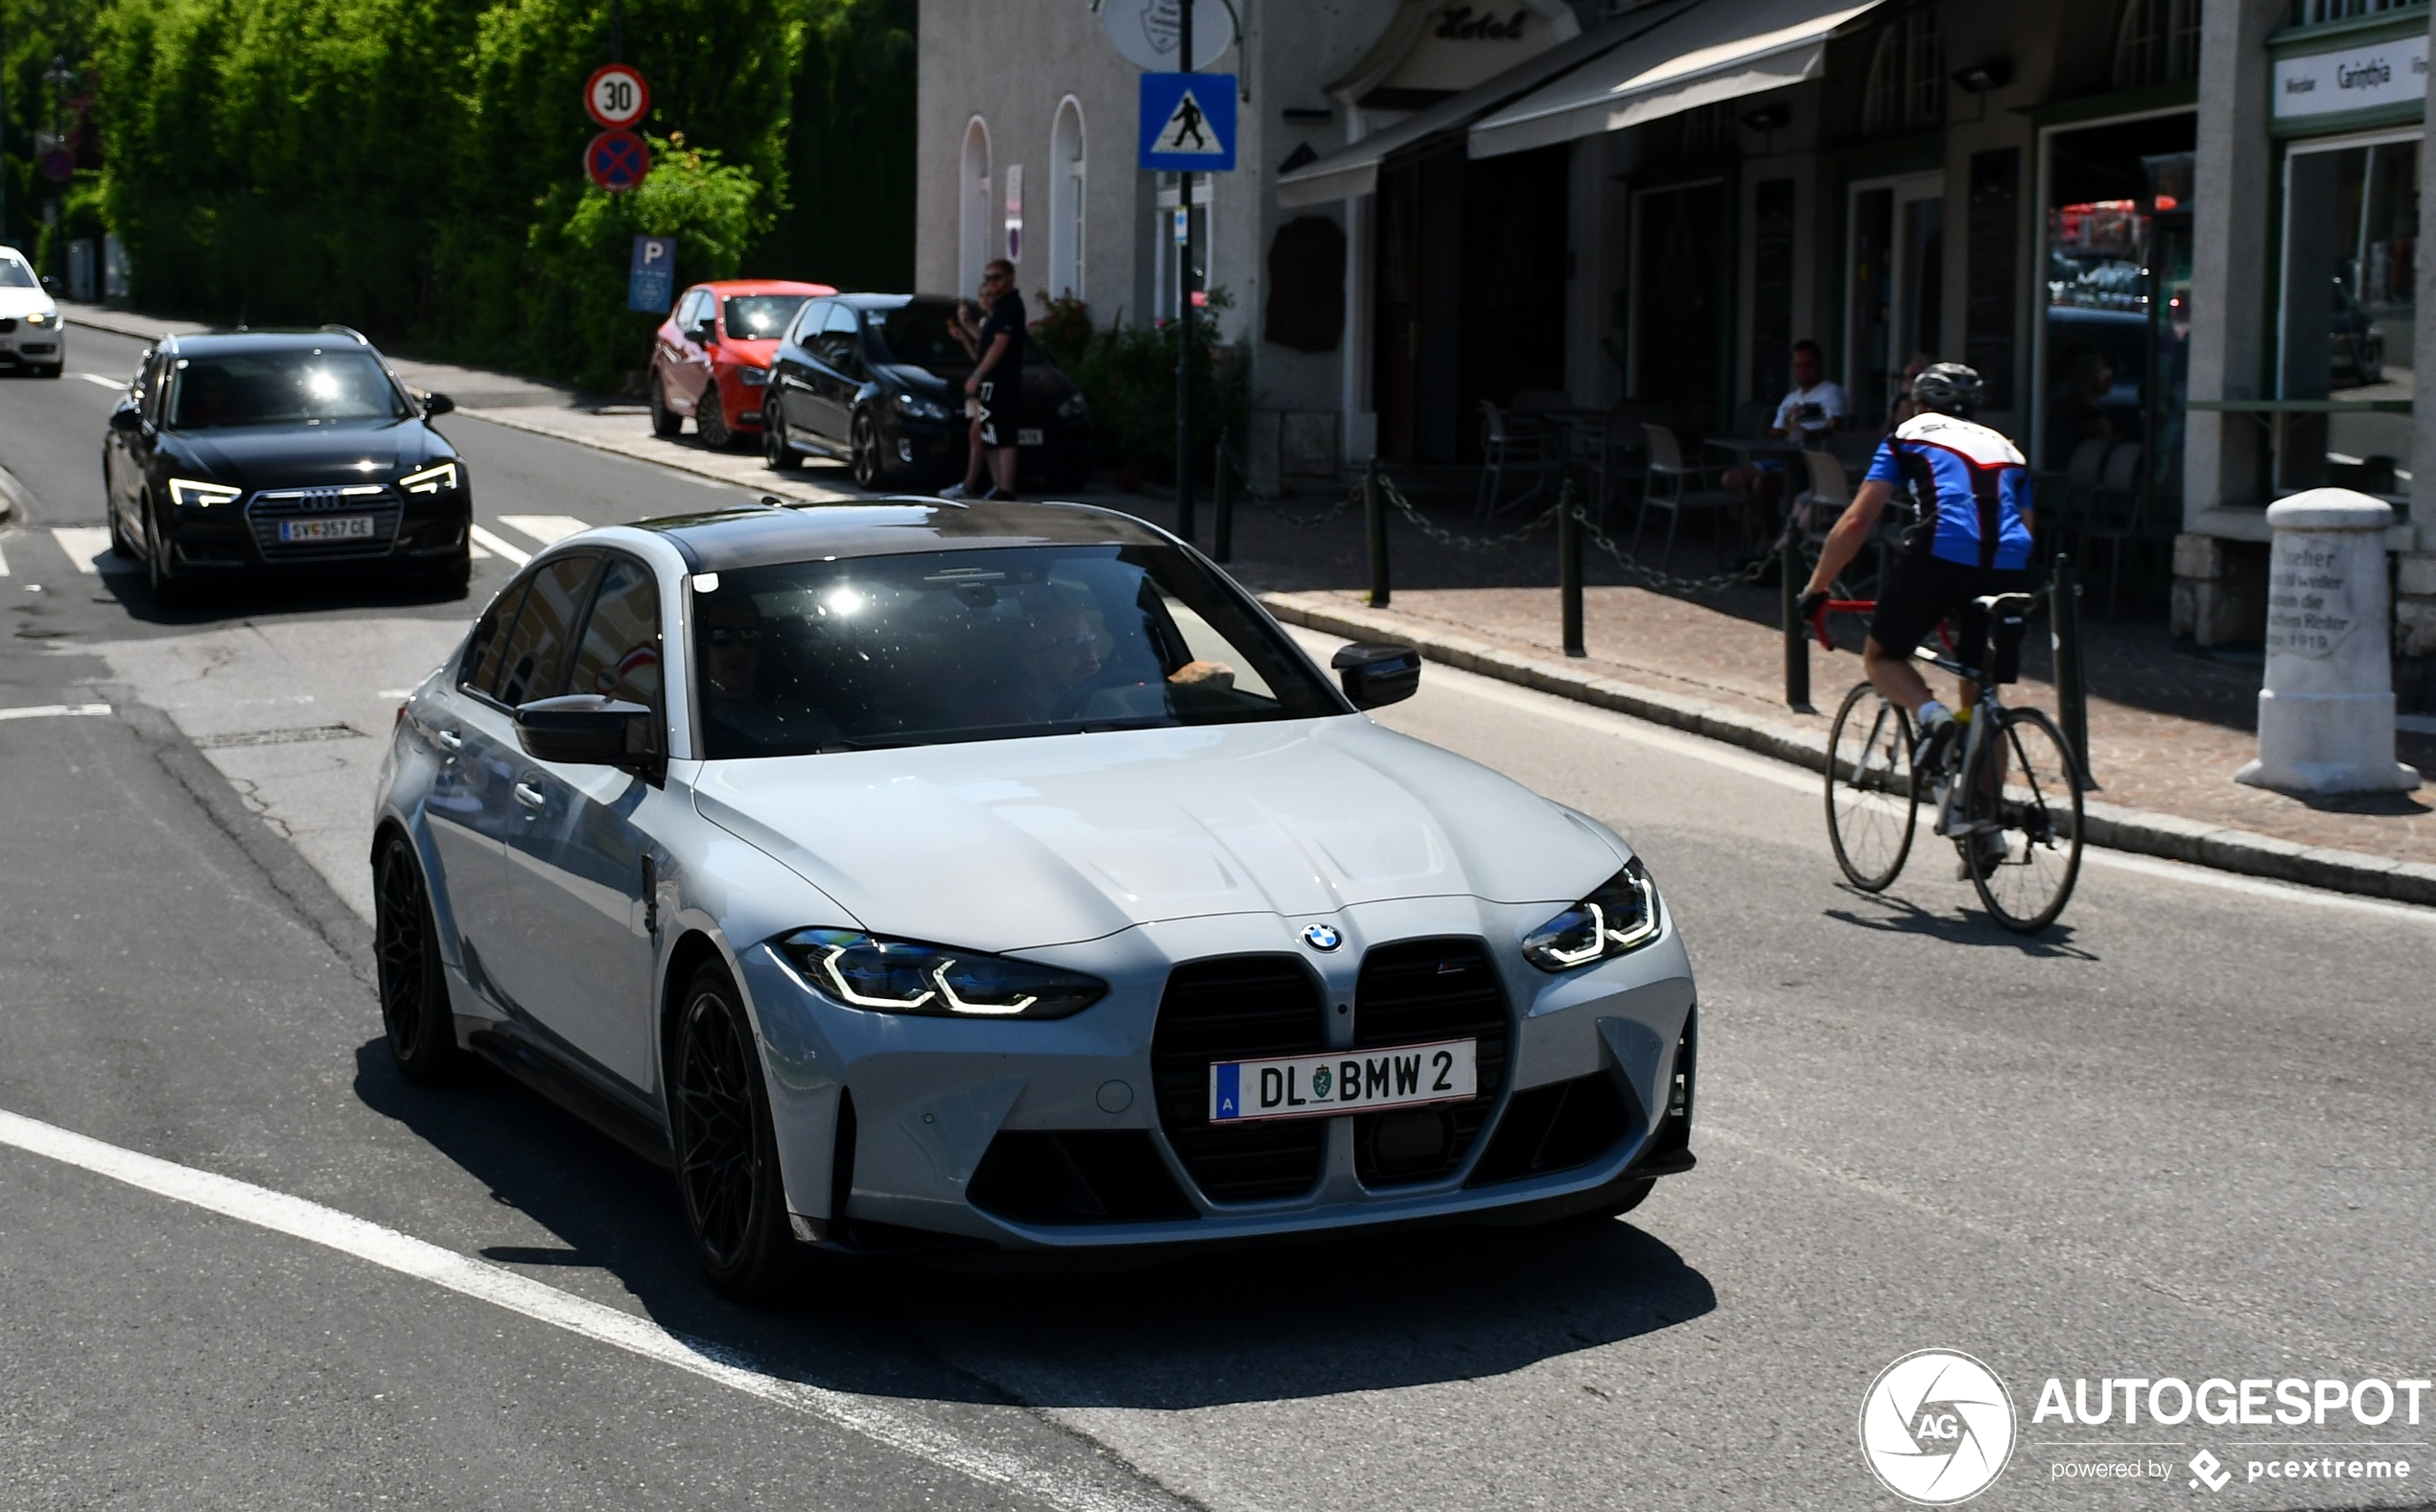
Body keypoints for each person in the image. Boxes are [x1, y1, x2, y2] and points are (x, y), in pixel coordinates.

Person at [1796, 362, 2033, 872]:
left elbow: (1860, 517)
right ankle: (1987, 828)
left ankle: (1931, 717)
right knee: (1982, 690)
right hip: (2011, 564)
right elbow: (2026, 524)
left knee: (1882, 656)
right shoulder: (2008, 447)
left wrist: (1817, 586)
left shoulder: (1907, 435)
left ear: (1920, 404)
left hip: (1940, 554)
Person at [1727, 338, 1847, 539]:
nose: (1803, 370)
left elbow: (1837, 428)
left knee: (1762, 485)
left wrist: (1806, 433)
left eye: (1808, 365)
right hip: (1782, 459)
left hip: (1809, 465)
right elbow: (1776, 432)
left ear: (1819, 365)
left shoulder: (1831, 393)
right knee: (1731, 479)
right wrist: (1784, 431)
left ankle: (1770, 534)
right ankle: (1771, 523)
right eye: (1798, 366)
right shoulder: (1790, 398)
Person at [948, 259, 1024, 500]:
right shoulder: (999, 311)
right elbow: (985, 344)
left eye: (997, 278)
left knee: (1002, 433)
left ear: (1010, 277)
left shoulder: (1010, 307)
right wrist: (966, 328)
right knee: (988, 433)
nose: (991, 284)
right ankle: (997, 485)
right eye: (988, 278)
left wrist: (977, 375)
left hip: (1001, 379)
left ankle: (1005, 487)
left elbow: (1000, 344)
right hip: (991, 380)